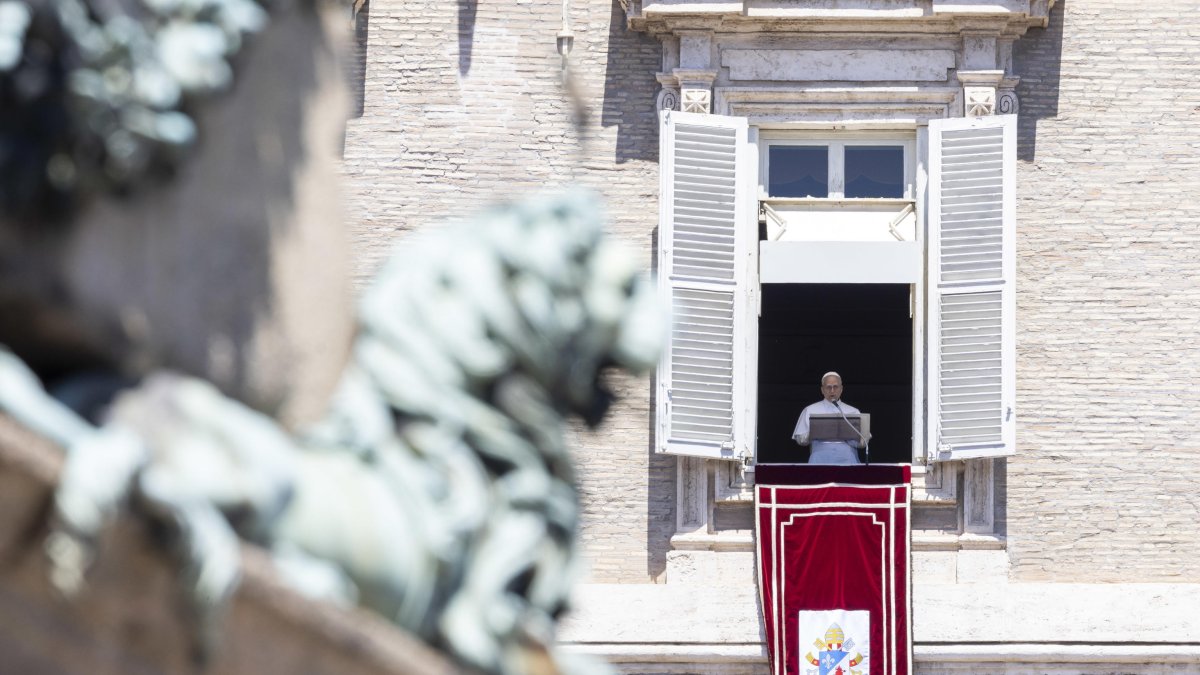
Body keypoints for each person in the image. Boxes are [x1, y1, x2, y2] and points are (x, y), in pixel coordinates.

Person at [792, 372, 868, 465]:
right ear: (822, 390)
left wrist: (848, 435)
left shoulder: (853, 411)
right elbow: (800, 440)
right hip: (819, 460)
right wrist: (814, 432)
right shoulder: (810, 410)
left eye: (835, 387)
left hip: (848, 460)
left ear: (841, 389)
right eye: (828, 387)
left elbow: (862, 444)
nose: (832, 391)